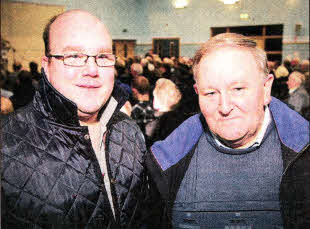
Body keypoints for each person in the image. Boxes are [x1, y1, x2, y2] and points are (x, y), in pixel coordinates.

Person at [1, 10, 148, 228]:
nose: (91, 69)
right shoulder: (6, 142)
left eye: (102, 57)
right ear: (46, 65)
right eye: (74, 56)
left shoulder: (130, 131)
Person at [146, 33, 310, 228]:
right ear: (197, 93)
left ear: (266, 89)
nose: (224, 107)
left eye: (238, 89)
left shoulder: (303, 153)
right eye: (211, 93)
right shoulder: (166, 160)